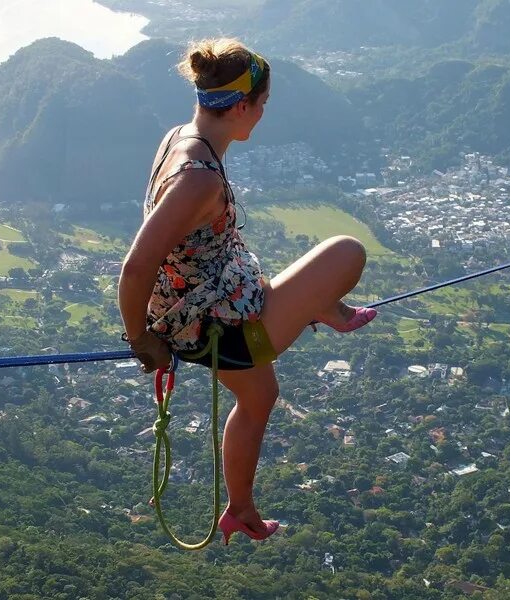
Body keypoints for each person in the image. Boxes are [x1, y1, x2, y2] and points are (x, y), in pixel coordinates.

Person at [118, 38, 376, 545]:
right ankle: (320, 306)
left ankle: (240, 508)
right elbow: (136, 266)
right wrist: (140, 340)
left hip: (203, 306)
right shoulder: (198, 179)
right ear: (241, 106)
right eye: (261, 105)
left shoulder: (181, 137)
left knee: (261, 397)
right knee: (348, 253)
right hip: (217, 329)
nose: (261, 114)